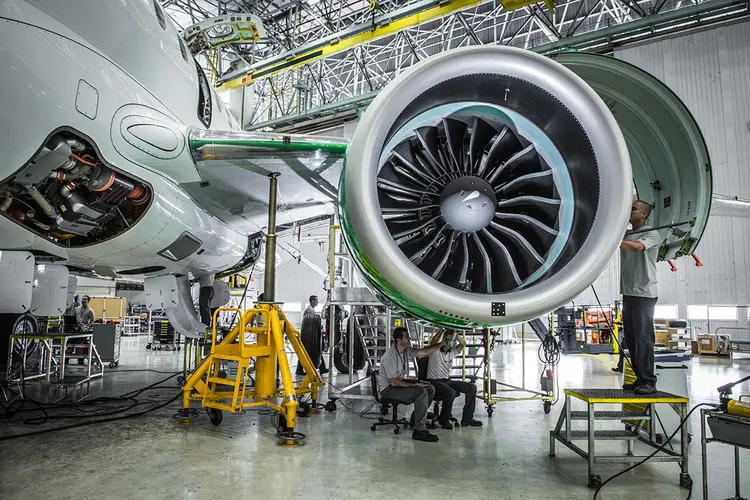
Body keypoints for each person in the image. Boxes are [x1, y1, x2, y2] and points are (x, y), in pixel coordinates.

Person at [619, 200, 661, 395]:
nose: (629, 210)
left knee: (644, 338)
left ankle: (649, 381)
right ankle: (639, 378)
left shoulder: (652, 233)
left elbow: (636, 247)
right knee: (631, 339)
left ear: (644, 214)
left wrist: (614, 240)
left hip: (644, 293)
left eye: (633, 208)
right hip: (628, 292)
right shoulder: (626, 234)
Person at [377, 327, 447, 442]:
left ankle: (416, 420)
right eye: (406, 336)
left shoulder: (405, 351)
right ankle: (419, 430)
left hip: (397, 384)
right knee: (421, 392)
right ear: (398, 340)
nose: (409, 338)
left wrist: (441, 344)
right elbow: (393, 382)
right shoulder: (390, 356)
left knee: (430, 388)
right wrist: (412, 385)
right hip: (388, 389)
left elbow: (424, 351)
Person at [426, 331, 483, 428]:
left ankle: (467, 419)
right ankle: (444, 420)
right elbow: (434, 341)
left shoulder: (452, 352)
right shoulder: (434, 351)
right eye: (446, 342)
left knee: (471, 387)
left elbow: (463, 343)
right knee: (451, 392)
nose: (448, 345)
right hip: (434, 381)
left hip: (447, 381)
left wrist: (454, 334)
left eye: (449, 343)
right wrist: (443, 330)